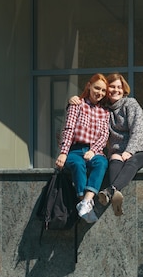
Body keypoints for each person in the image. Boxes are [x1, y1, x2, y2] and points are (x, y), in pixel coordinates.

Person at [69, 73, 143, 216]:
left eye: (119, 87)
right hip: (119, 153)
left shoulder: (131, 104)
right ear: (106, 90)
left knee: (132, 161)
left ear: (124, 90)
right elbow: (88, 110)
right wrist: (74, 99)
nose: (116, 90)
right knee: (114, 158)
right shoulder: (104, 110)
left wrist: (130, 151)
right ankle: (115, 196)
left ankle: (110, 191)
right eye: (112, 87)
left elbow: (137, 129)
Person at [56, 73, 110, 224]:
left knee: (102, 163)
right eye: (97, 88)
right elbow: (69, 129)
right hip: (75, 149)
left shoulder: (105, 112)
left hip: (94, 150)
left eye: (103, 91)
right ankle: (83, 203)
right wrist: (63, 153)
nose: (99, 93)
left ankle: (86, 202)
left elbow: (104, 135)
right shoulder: (77, 104)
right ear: (89, 86)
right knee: (77, 165)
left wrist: (93, 150)